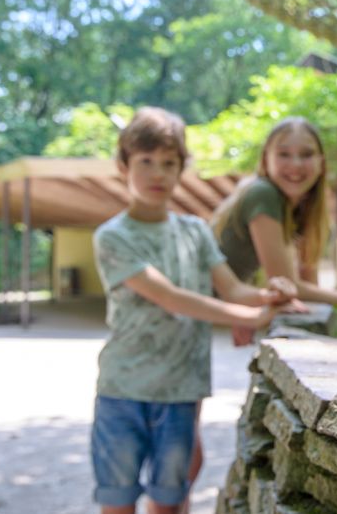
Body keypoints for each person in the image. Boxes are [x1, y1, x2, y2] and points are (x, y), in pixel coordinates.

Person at [91, 107, 295, 514]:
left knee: (169, 499)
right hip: (123, 391)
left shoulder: (195, 231)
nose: (157, 173)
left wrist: (270, 293)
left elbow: (234, 288)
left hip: (182, 390)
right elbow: (169, 297)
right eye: (145, 161)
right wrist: (249, 319)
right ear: (123, 165)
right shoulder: (112, 236)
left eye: (169, 163)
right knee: (118, 501)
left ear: (182, 169)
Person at [210, 116, 337, 345]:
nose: (295, 164)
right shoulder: (263, 193)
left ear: (321, 162)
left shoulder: (300, 207)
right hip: (195, 307)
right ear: (266, 159)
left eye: (306, 154)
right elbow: (287, 283)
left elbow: (307, 282)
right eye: (284, 154)